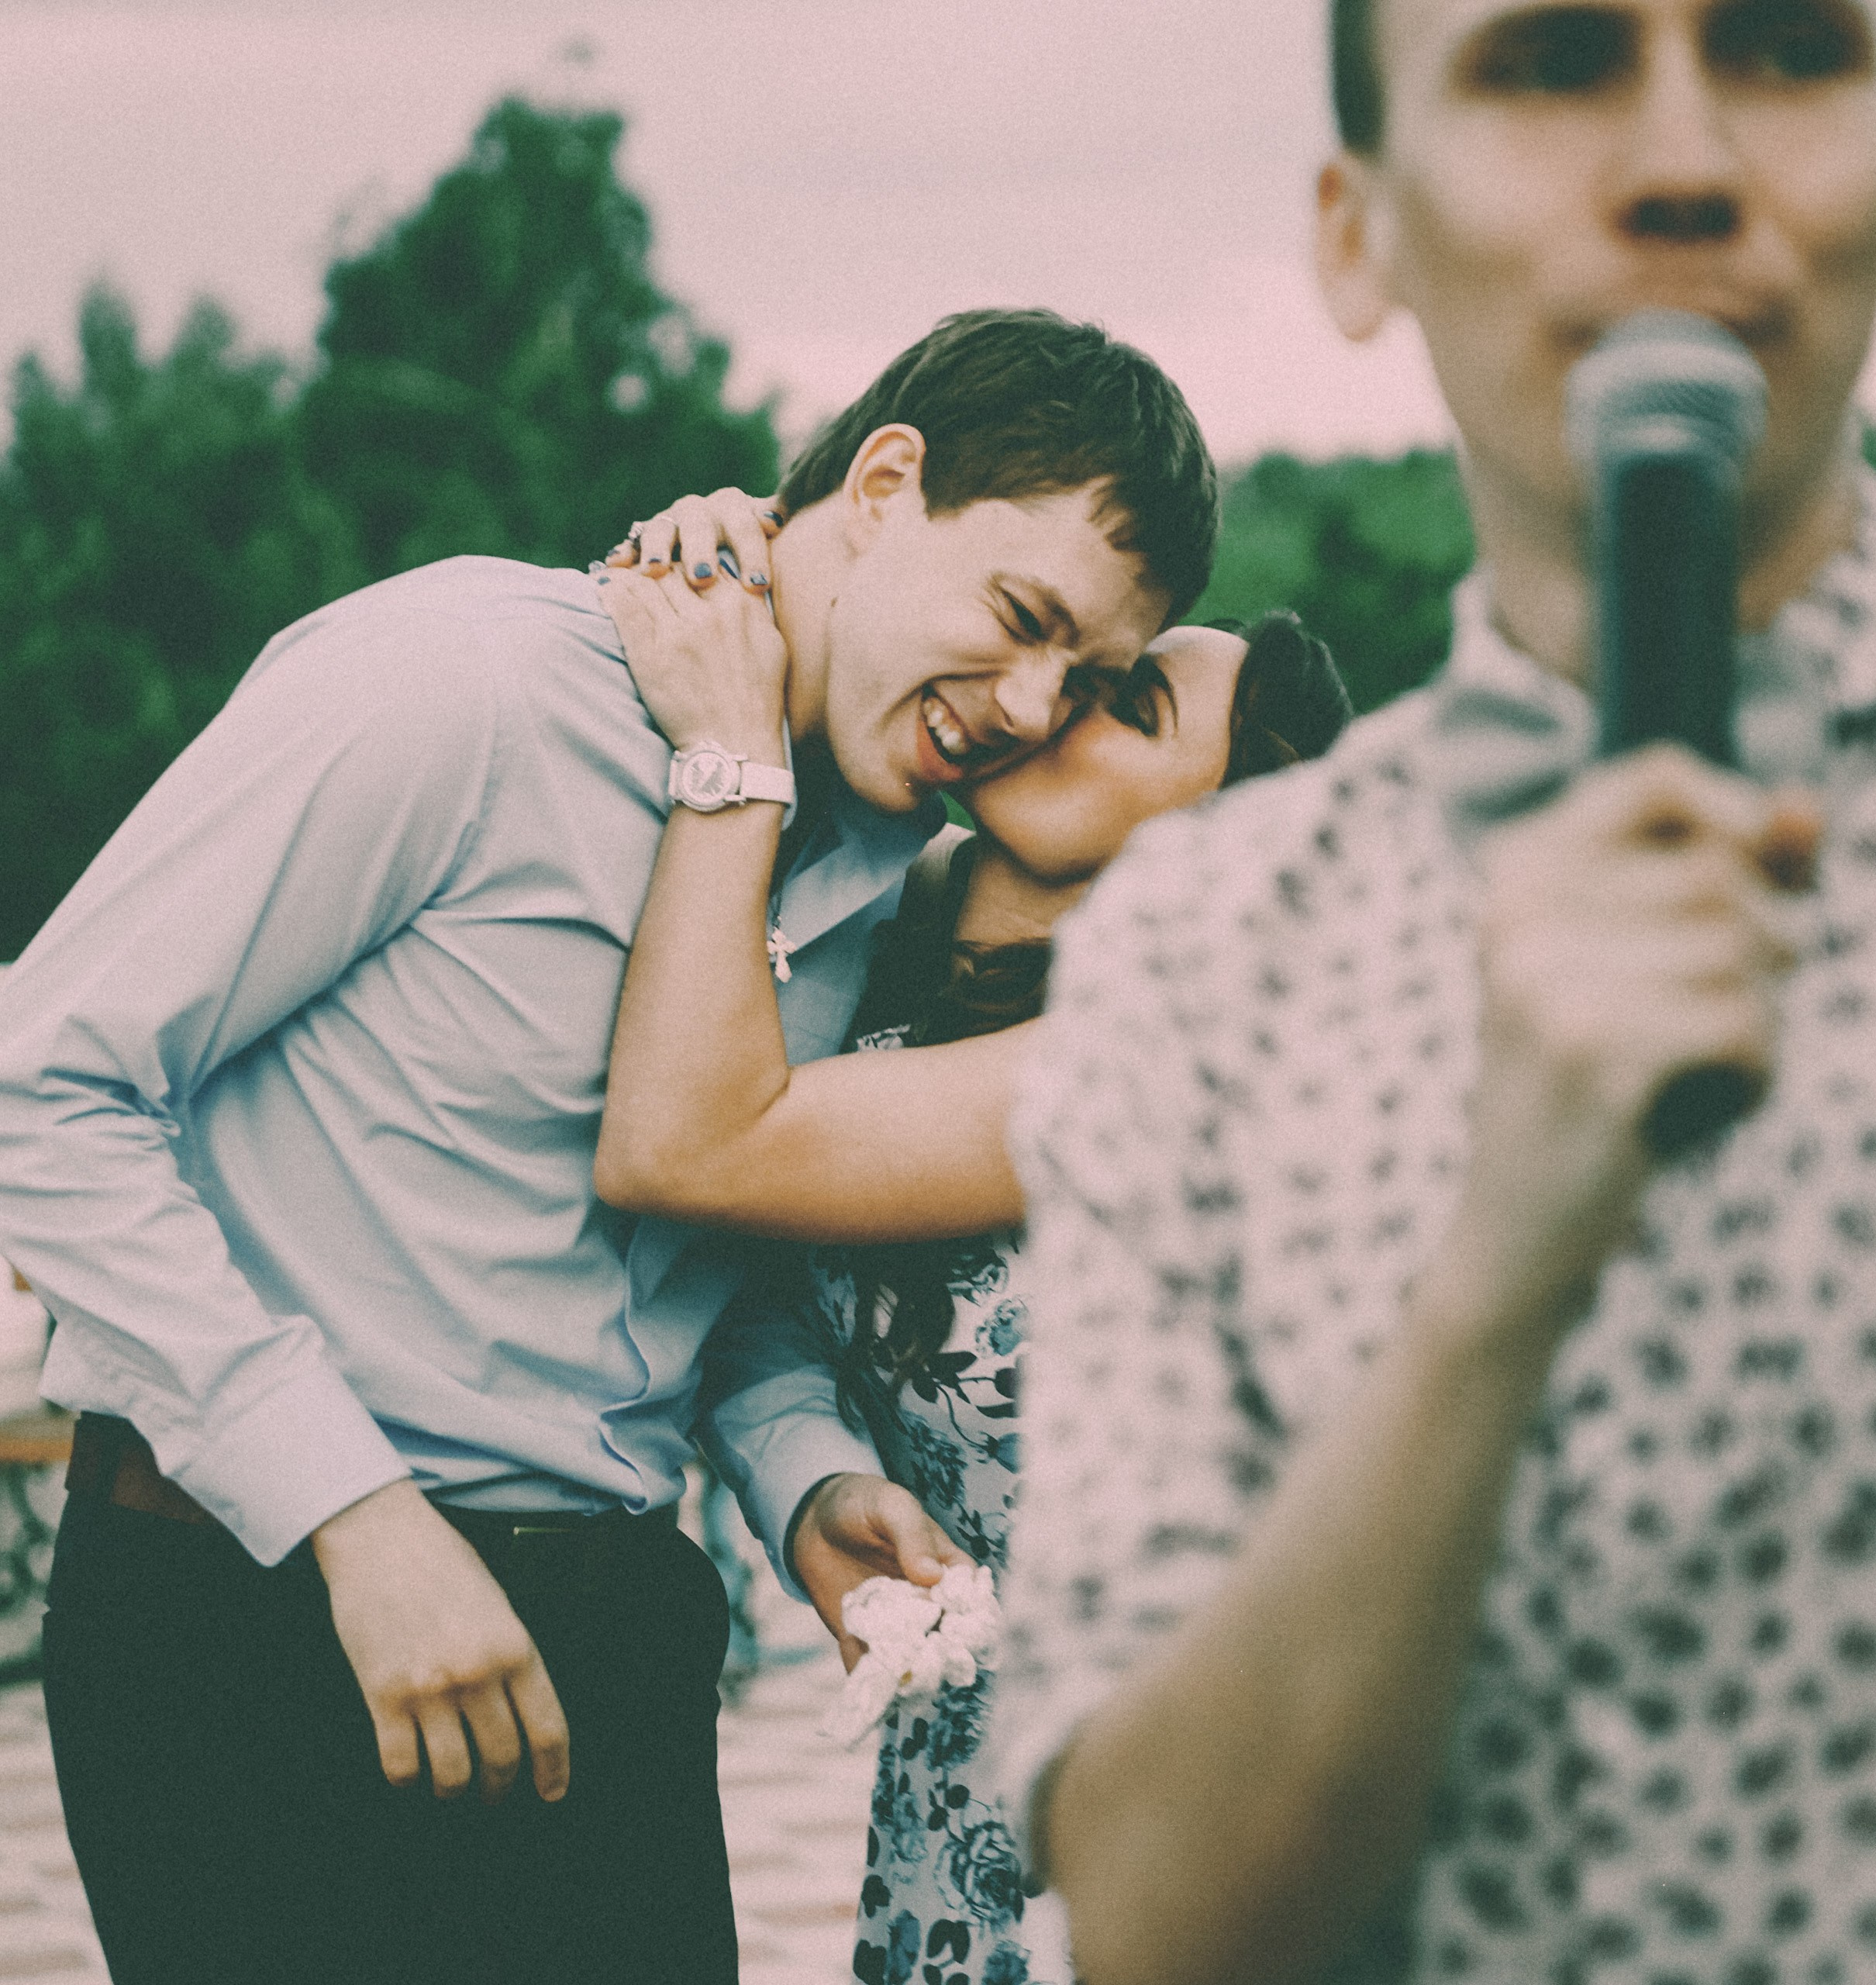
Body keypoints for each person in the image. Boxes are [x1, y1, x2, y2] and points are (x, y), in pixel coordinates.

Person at [0, 307, 1218, 1985]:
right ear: (884, 481)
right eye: (1023, 620)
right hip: (264, 1603)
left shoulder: (865, 864)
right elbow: (38, 1084)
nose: (1026, 705)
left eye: (1080, 680)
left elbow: (700, 1260)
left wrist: (802, 1479)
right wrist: (352, 1512)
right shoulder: (467, 678)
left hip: (621, 1640)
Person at [981, 5, 1876, 1983]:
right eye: (1550, 63)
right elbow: (1158, 1929)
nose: (1679, 161)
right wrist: (1486, 1283)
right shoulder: (1200, 951)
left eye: (1782, 50)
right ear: (1356, 236)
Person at [587, 537, 1353, 1984]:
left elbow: (689, 1149)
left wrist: (734, 756)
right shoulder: (876, 931)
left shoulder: (1157, 1046)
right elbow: (756, 1291)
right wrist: (745, 538)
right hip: (958, 1774)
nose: (1053, 700)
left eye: (1129, 706)